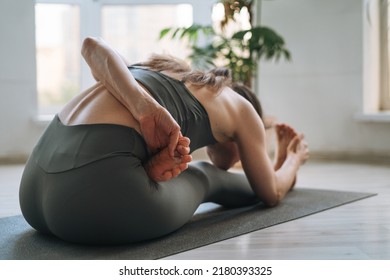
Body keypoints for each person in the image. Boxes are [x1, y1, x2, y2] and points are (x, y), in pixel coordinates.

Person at [19, 37, 309, 245]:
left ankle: (275, 169)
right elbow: (269, 195)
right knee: (206, 174)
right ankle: (281, 167)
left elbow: (90, 46)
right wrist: (294, 160)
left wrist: (142, 106)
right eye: (249, 151)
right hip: (93, 205)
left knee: (168, 166)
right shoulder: (241, 108)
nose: (237, 160)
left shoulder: (156, 69)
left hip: (32, 193)